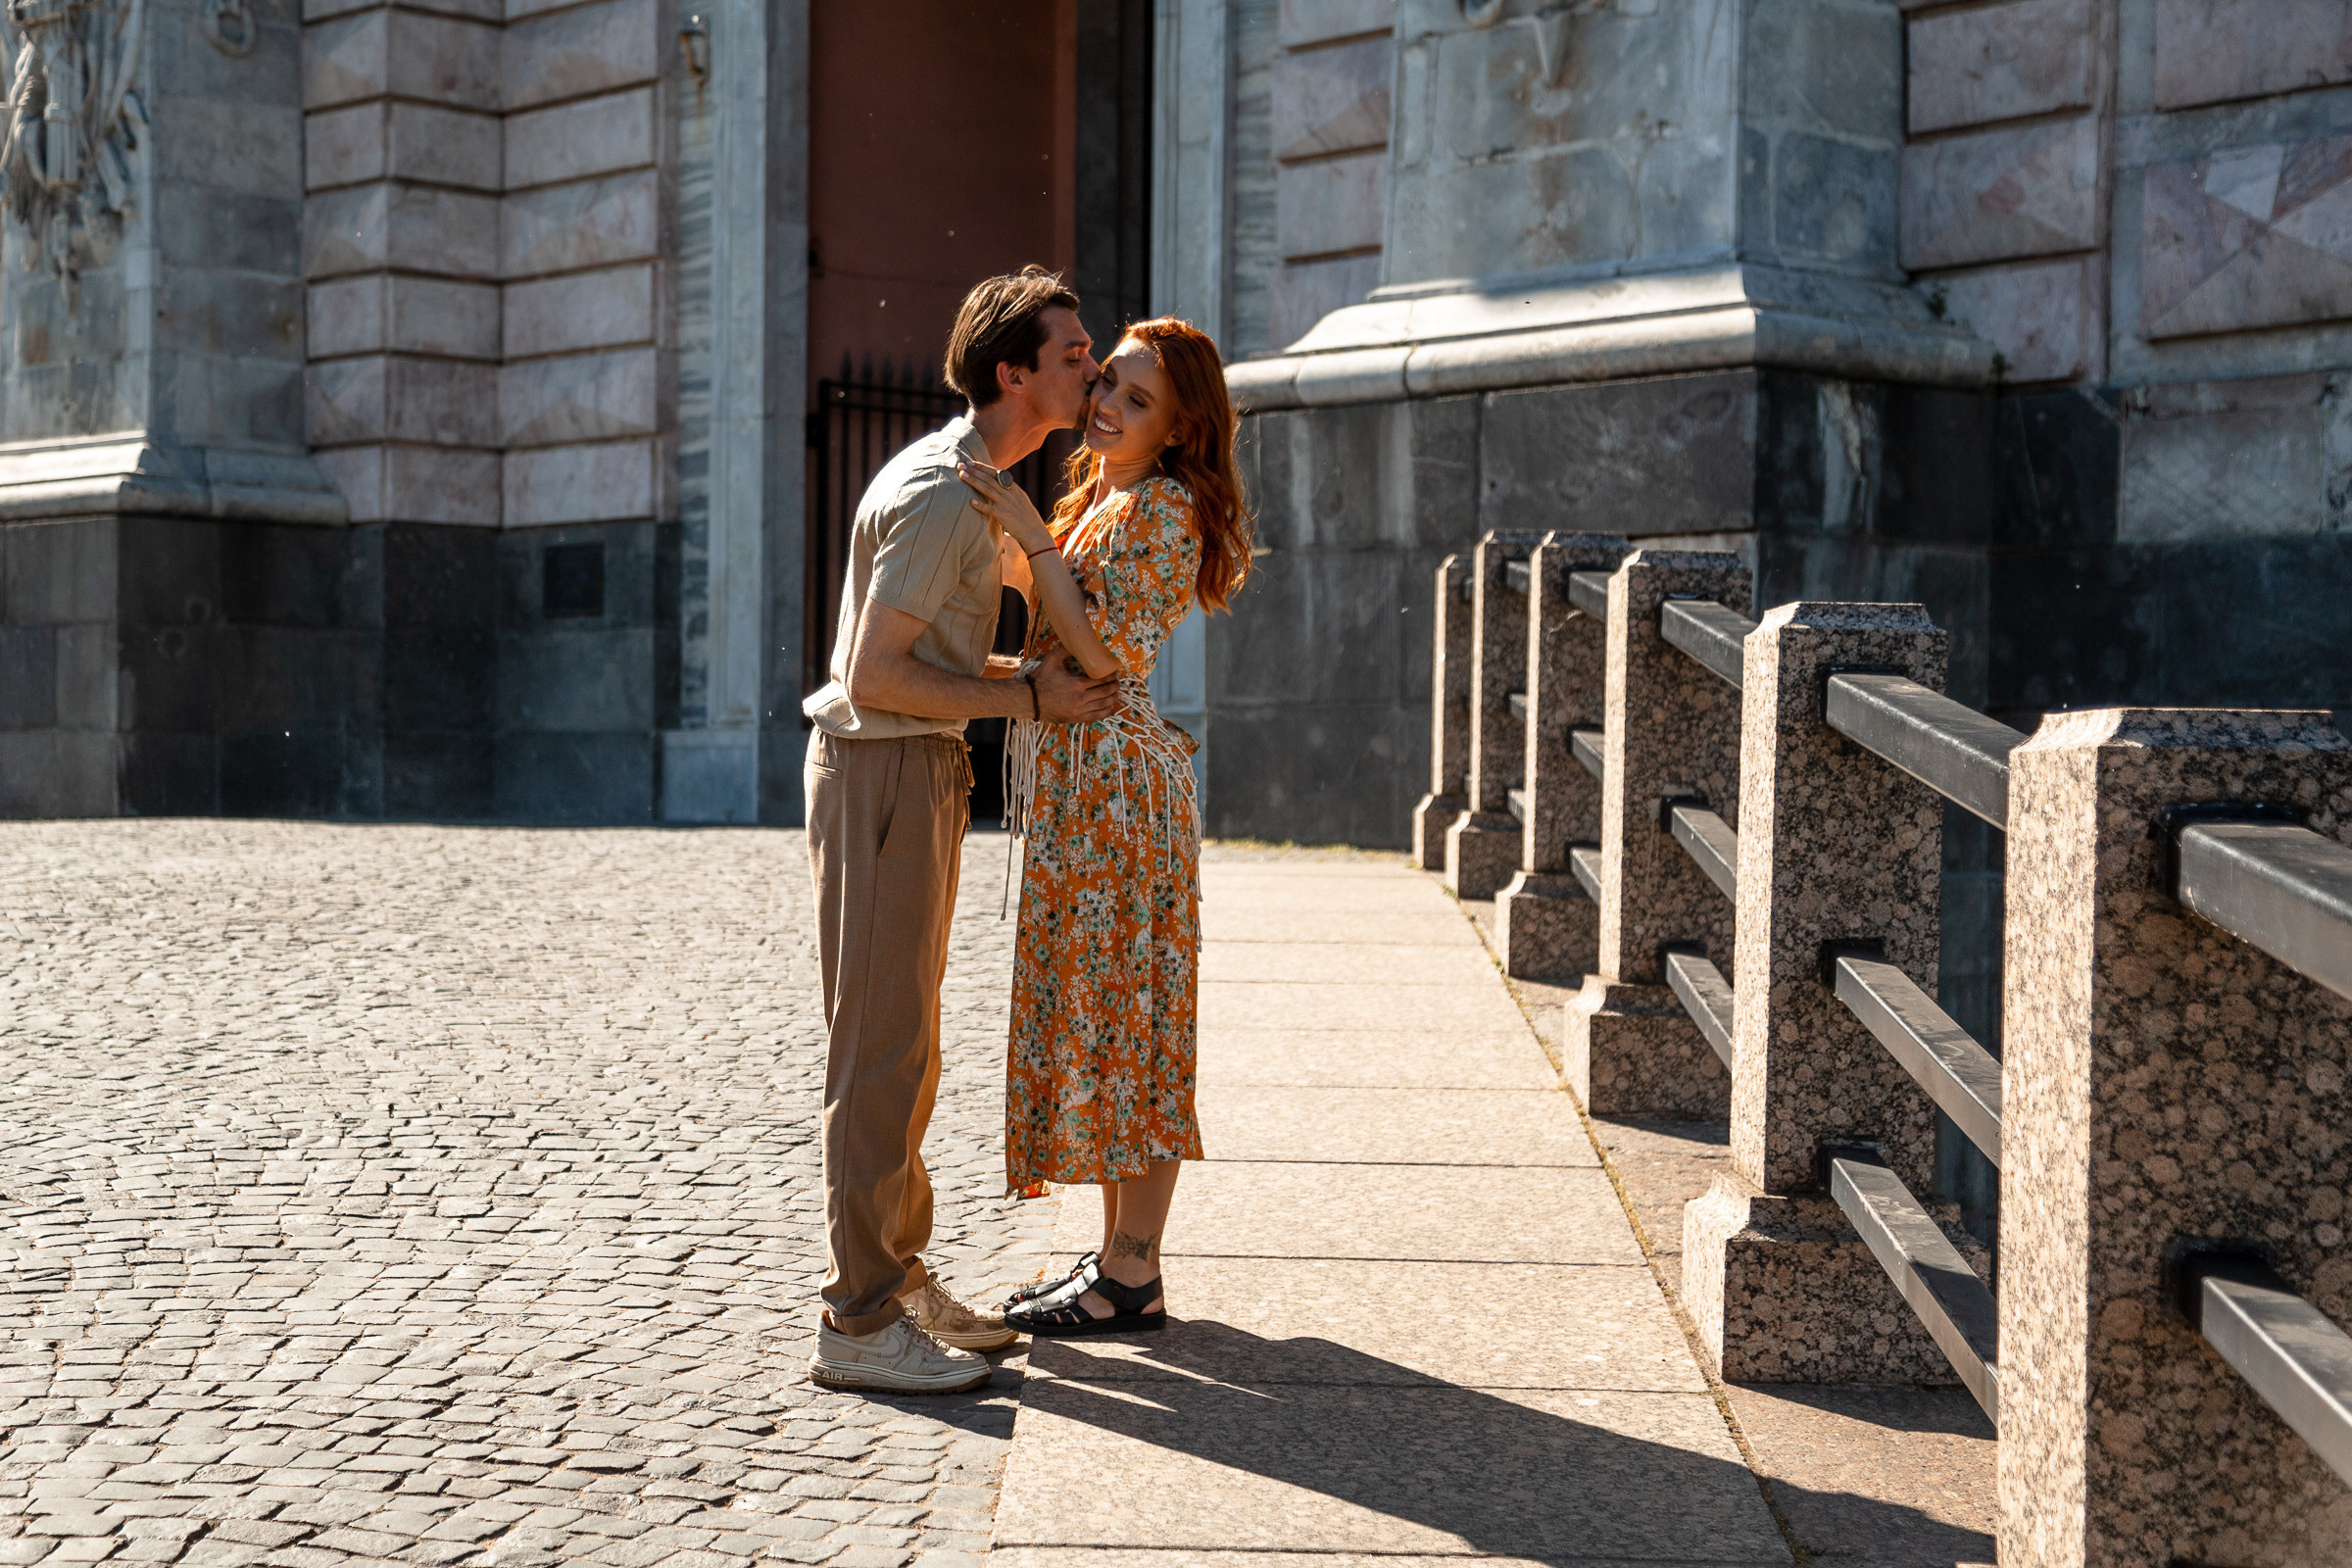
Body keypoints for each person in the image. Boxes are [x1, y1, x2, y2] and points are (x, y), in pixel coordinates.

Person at [803, 268, 1121, 1395]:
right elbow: (873, 672)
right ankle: (857, 1318)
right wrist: (1029, 696)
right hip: (884, 771)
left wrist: (1020, 673)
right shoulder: (947, 493)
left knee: (910, 1043)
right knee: (879, 1047)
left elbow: (922, 664)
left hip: (913, 770)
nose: (1094, 366)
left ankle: (897, 1270)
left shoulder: (978, 484)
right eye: (1076, 353)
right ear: (1013, 373)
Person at [955, 317, 1252, 1336]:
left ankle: (1133, 1272)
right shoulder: (1102, 500)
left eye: (1135, 399)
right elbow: (1036, 611)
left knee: (1138, 1027)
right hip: (1083, 789)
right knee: (1106, 1020)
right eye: (1108, 387)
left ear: (1178, 429)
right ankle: (1121, 1263)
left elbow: (1104, 656)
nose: (1107, 408)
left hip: (1123, 793)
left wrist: (1028, 544)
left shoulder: (1165, 508)